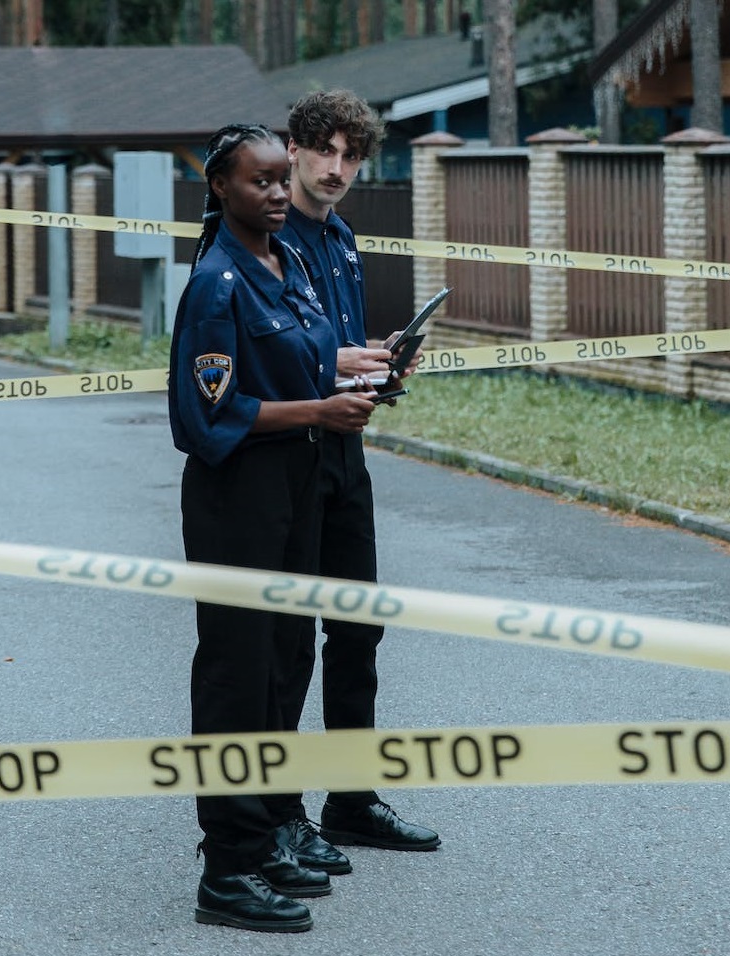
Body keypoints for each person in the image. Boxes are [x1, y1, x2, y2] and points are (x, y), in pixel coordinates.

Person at [167, 123, 377, 934]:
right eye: (260, 182)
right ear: (220, 188)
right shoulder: (217, 283)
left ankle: (261, 839)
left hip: (297, 486)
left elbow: (306, 358)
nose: (280, 194)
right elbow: (205, 413)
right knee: (236, 672)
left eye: (282, 180)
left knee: (284, 663)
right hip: (239, 496)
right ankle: (225, 868)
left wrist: (361, 374)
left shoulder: (287, 263)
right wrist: (319, 410)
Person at [273, 90, 441, 875]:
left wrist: (379, 358)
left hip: (348, 452)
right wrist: (336, 363)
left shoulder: (341, 239)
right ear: (295, 150)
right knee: (287, 643)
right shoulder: (267, 240)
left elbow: (336, 345)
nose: (336, 169)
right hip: (287, 455)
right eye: (324, 152)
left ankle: (351, 799)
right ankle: (282, 814)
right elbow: (264, 354)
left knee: (357, 629)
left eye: (351, 155)